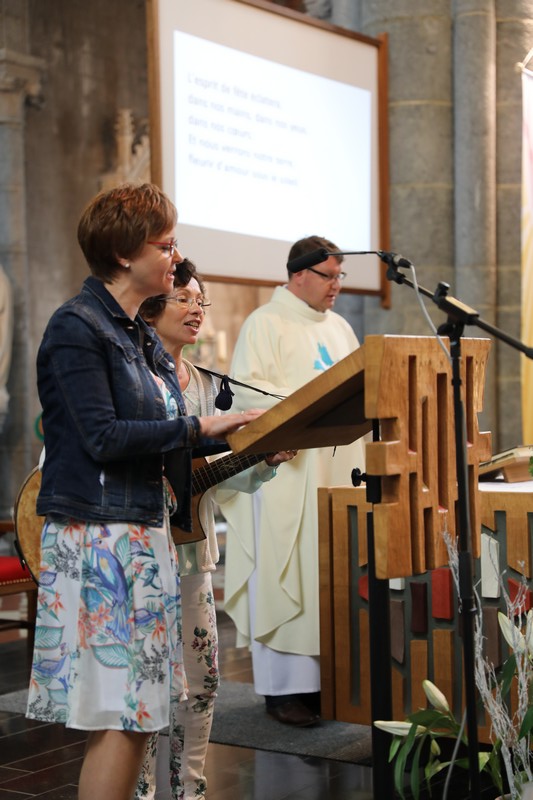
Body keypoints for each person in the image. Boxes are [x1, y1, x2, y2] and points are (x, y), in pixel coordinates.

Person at [25, 182, 262, 800]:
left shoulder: (137, 334)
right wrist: (204, 427)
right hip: (99, 538)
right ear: (125, 253)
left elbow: (167, 434)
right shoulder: (77, 326)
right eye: (166, 245)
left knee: (139, 714)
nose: (176, 258)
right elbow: (103, 437)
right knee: (120, 715)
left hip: (142, 533)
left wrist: (247, 436)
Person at [135, 258, 296, 800]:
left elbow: (213, 482)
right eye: (184, 298)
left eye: (201, 300)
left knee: (202, 683)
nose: (197, 310)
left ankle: (191, 790)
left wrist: (262, 461)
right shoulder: (130, 378)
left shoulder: (206, 384)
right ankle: (138, 791)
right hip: (136, 557)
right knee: (143, 687)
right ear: (151, 306)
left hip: (191, 554)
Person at [220, 235, 366, 727]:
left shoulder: (341, 328)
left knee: (328, 574)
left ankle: (325, 685)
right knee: (287, 572)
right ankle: (284, 690)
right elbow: (248, 395)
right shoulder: (265, 323)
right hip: (287, 474)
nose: (336, 286)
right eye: (329, 276)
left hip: (335, 471)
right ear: (299, 274)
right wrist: (309, 400)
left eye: (340, 276)